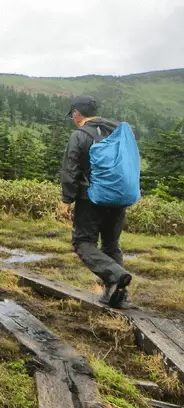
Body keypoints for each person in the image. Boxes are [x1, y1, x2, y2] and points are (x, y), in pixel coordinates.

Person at [61, 95, 138, 308]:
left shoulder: (80, 134)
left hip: (91, 199)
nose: (73, 118)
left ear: (77, 113)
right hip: (119, 197)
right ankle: (117, 295)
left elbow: (71, 169)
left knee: (83, 243)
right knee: (111, 244)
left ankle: (116, 275)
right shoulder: (117, 130)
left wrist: (66, 200)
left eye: (72, 114)